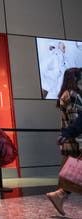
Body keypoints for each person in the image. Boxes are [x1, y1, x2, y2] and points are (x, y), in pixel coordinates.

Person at [46, 67, 82, 216]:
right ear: (76, 78)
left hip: (71, 140)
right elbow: (77, 120)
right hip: (76, 141)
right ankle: (59, 195)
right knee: (74, 174)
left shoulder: (67, 94)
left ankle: (60, 195)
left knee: (73, 174)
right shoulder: (73, 95)